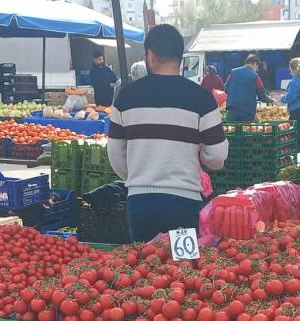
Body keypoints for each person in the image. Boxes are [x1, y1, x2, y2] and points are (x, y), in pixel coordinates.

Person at [108, 24, 229, 242]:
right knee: (183, 263)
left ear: (150, 55)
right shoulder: (202, 98)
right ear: (180, 58)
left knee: (143, 261)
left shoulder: (125, 97)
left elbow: (115, 153)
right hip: (184, 201)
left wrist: (139, 176)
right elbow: (218, 156)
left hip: (140, 203)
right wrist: (201, 157)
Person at [224, 55, 265, 121]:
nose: (256, 69)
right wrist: (271, 100)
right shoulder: (255, 76)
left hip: (232, 110)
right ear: (255, 64)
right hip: (248, 112)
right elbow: (262, 95)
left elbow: (226, 88)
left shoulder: (233, 72)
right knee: (247, 127)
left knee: (232, 127)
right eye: (257, 67)